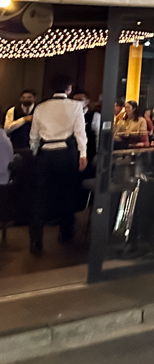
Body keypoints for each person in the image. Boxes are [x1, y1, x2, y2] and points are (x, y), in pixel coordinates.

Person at [28, 75, 88, 254]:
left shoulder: (40, 107)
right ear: (69, 88)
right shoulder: (76, 106)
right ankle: (66, 234)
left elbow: (34, 136)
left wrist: (34, 152)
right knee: (66, 194)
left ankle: (35, 241)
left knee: (39, 198)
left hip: (45, 153)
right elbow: (80, 132)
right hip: (65, 153)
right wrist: (83, 153)